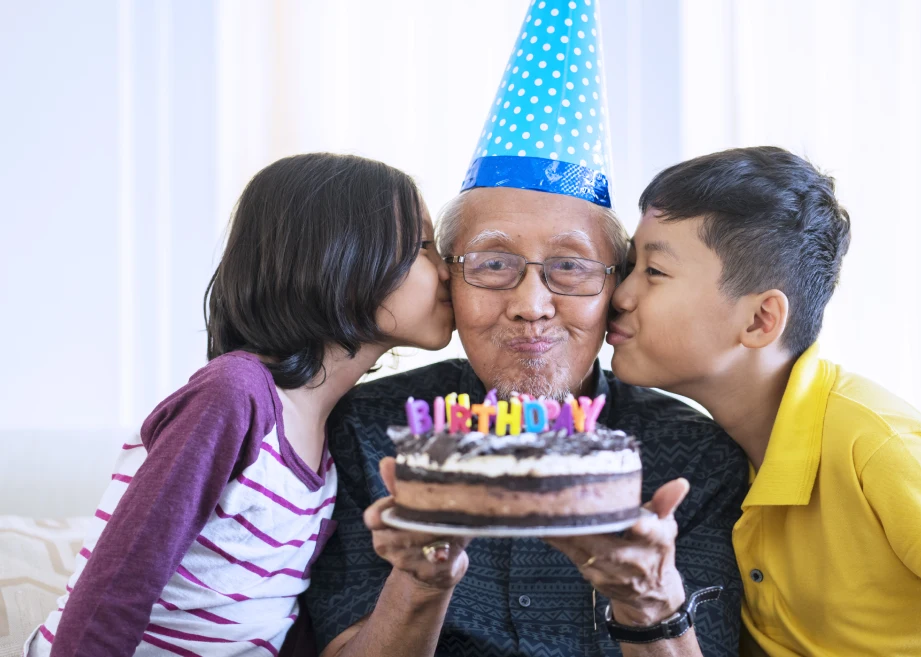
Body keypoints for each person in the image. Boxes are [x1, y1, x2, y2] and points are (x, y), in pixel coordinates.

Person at [304, 2, 749, 656]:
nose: (531, 304)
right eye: (493, 264)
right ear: (448, 280)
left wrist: (647, 597)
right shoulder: (374, 429)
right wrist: (421, 579)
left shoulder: (693, 457)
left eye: (569, 268)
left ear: (614, 288)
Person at [24, 153, 455, 656]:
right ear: (342, 258)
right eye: (425, 247)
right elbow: (121, 577)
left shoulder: (334, 437)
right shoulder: (234, 395)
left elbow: (273, 617)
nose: (447, 272)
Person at [606, 145, 921, 656]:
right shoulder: (718, 460)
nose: (619, 296)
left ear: (759, 321)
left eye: (654, 272)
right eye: (628, 266)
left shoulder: (883, 451)